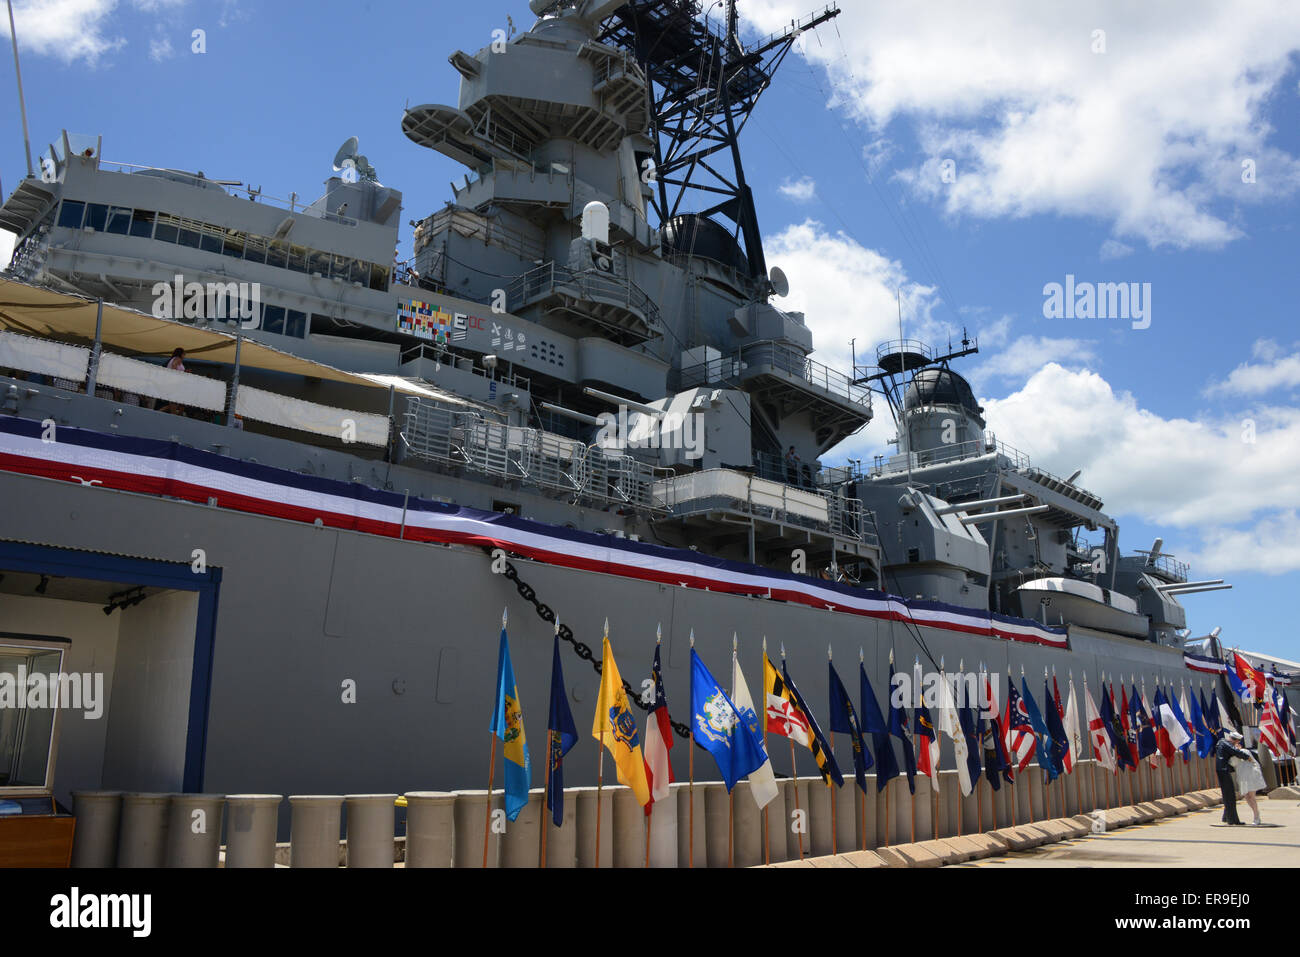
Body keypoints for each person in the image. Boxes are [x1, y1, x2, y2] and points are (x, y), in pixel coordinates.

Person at [1215, 730, 1253, 825]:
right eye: (1237, 741)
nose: (1238, 743)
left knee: (1228, 795)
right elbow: (1235, 752)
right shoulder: (1226, 743)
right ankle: (1232, 820)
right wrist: (1247, 757)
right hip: (1224, 770)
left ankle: (1226, 817)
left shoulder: (1222, 743)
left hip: (1222, 770)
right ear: (1234, 740)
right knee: (1230, 795)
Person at [1233, 738, 1267, 825]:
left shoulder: (1245, 751)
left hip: (1251, 776)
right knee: (1246, 796)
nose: (1236, 747)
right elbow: (1233, 764)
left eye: (1237, 745)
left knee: (1251, 796)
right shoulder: (1234, 755)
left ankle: (1256, 816)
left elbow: (1250, 760)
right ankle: (1255, 812)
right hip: (1242, 777)